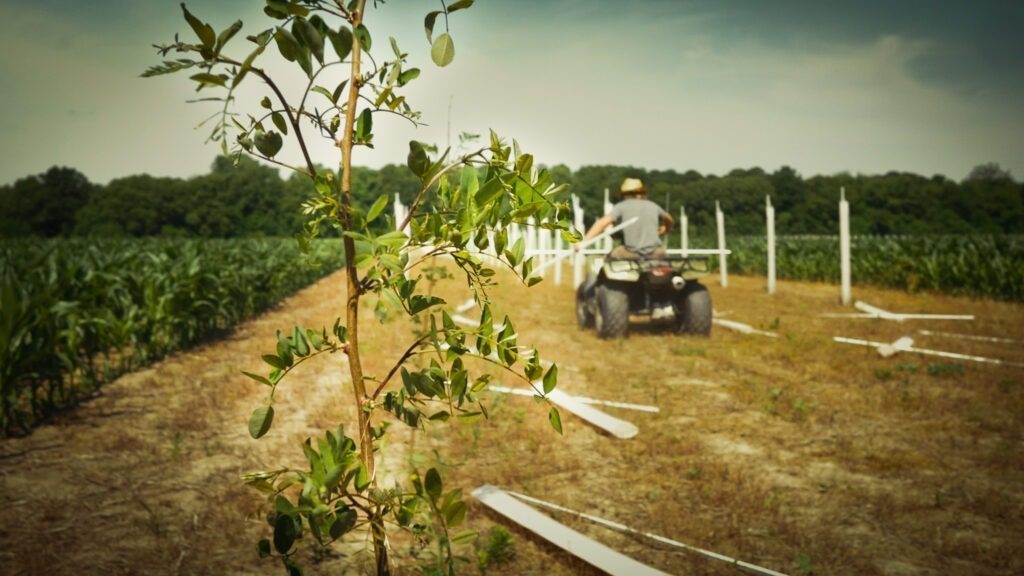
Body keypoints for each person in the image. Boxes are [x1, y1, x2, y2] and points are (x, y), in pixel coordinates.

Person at [577, 177, 673, 259]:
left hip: (632, 253)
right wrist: (666, 229)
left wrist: (584, 241)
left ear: (625, 194)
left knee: (609, 261)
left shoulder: (622, 206)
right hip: (656, 252)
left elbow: (602, 223)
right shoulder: (653, 205)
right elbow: (669, 218)